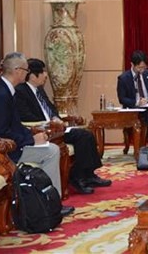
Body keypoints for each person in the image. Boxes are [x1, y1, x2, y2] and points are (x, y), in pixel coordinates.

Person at [0, 52, 74, 217]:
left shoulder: (6, 90)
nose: (27, 73)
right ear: (17, 70)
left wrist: (35, 135)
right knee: (52, 151)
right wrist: (31, 139)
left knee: (51, 148)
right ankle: (51, 204)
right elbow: (1, 132)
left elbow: (15, 125)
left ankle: (47, 203)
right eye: (26, 70)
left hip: (8, 147)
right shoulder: (0, 95)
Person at [15, 58, 111, 195]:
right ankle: (77, 177)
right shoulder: (21, 91)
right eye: (43, 72)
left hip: (55, 127)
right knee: (82, 137)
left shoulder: (39, 90)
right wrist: (50, 123)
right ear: (33, 76)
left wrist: (56, 117)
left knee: (88, 135)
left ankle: (89, 175)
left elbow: (51, 108)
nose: (46, 75)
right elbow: (26, 116)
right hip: (43, 130)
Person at [117, 50, 148, 127]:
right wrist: (137, 102)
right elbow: (122, 99)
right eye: (139, 67)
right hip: (133, 110)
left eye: (144, 67)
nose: (142, 70)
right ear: (132, 64)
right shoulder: (123, 78)